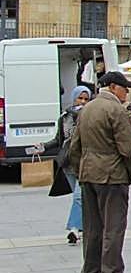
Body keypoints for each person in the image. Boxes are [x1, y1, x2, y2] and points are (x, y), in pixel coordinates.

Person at [66, 71, 131, 273]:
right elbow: (127, 148)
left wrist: (81, 170)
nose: (127, 92)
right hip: (112, 175)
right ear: (114, 87)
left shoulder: (87, 109)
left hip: (89, 173)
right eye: (125, 88)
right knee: (114, 226)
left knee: (92, 227)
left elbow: (74, 146)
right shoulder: (116, 110)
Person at [39, 85, 91, 244]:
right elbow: (58, 139)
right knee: (81, 198)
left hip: (83, 163)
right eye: (80, 98)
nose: (82, 102)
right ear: (74, 98)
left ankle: (74, 228)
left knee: (78, 196)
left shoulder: (90, 116)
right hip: (68, 163)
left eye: (86, 99)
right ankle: (84, 227)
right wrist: (43, 146)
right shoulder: (64, 117)